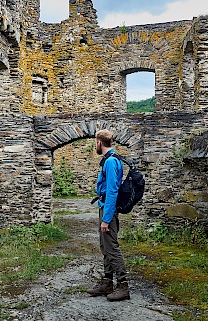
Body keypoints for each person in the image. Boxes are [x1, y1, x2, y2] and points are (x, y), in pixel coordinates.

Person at [87, 129, 130, 301]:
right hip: (104, 206)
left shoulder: (111, 162)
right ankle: (107, 282)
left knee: (111, 246)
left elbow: (112, 191)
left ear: (99, 142)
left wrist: (106, 218)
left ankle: (123, 285)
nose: (95, 146)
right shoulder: (110, 160)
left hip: (108, 209)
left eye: (95, 143)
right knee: (105, 246)